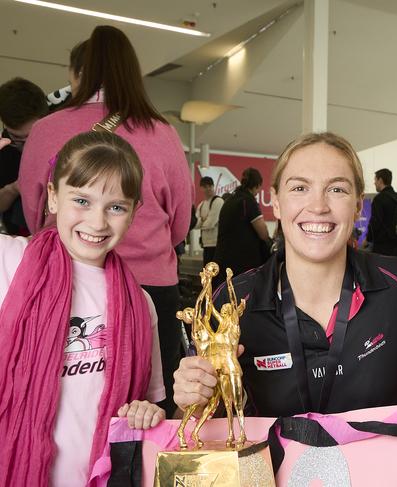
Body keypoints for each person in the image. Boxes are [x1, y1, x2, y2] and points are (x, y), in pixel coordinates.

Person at [173, 132, 397, 418]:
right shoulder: (235, 302)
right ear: (276, 203)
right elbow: (195, 422)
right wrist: (191, 399)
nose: (318, 206)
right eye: (300, 188)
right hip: (273, 463)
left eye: (337, 189)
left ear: (357, 205)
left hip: (375, 461)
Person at [18, 25, 193, 417]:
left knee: (57, 400)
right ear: (133, 73)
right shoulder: (163, 132)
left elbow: (35, 215)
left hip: (64, 282)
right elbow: (181, 221)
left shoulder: (46, 129)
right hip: (152, 281)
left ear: (76, 75)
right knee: (151, 408)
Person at [0, 131, 165, 487]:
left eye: (116, 207)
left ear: (134, 212)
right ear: (53, 197)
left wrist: (147, 413)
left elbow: (146, 404)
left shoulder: (141, 305)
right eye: (82, 201)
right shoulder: (9, 261)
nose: (97, 222)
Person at [0, 77, 48, 236]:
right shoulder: (5, 149)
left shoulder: (59, 142)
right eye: (18, 138)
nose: (27, 145)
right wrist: (15, 188)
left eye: (32, 136)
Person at [213, 167, 270, 280]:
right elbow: (263, 233)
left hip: (223, 258)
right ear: (257, 185)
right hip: (242, 262)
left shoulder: (230, 199)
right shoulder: (248, 201)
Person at [366, 168, 397, 257]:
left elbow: (375, 223)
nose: (374, 183)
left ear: (380, 180)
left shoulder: (379, 199)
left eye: (375, 180)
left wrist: (368, 239)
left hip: (382, 247)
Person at [195, 176, 223, 266]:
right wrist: (203, 220)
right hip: (206, 244)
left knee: (215, 274)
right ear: (201, 188)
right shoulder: (201, 205)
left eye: (210, 186)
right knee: (207, 275)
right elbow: (195, 224)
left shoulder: (218, 201)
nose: (208, 189)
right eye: (205, 187)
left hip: (216, 244)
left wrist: (202, 220)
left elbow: (210, 223)